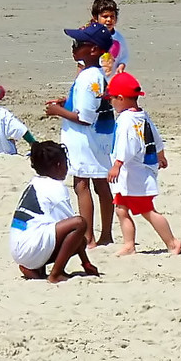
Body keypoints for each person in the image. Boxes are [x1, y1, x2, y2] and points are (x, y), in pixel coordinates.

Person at [44, 24, 117, 248]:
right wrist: (64, 104)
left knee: (81, 186)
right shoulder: (96, 75)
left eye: (78, 44)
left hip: (83, 140)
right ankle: (106, 234)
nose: (73, 48)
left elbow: (85, 117)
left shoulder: (88, 77)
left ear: (93, 50)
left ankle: (89, 238)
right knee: (102, 186)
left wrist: (57, 112)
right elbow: (90, 106)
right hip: (99, 139)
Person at [106, 72, 181, 257]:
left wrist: (117, 164)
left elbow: (126, 144)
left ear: (121, 98)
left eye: (112, 99)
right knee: (121, 209)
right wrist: (160, 154)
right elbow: (156, 137)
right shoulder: (142, 115)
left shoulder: (125, 120)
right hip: (135, 173)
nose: (111, 103)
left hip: (134, 173)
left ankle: (172, 242)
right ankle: (129, 244)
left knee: (147, 210)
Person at [8, 141, 100, 283]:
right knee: (80, 224)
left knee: (77, 239)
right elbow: (76, 227)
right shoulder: (55, 188)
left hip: (19, 246)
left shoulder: (35, 183)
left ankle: (35, 268)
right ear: (59, 165)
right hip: (30, 247)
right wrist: (86, 262)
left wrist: (85, 263)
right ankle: (56, 274)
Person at [90, 0, 129, 76]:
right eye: (105, 16)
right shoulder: (91, 37)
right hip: (94, 79)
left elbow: (124, 56)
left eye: (112, 16)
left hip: (111, 79)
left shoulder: (119, 38)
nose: (109, 20)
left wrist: (121, 65)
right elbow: (82, 63)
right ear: (95, 18)